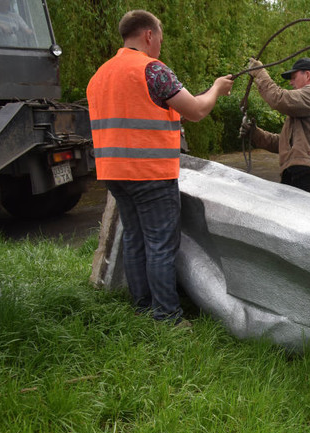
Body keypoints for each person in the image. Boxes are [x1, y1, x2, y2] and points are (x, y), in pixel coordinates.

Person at [86, 9, 233, 327]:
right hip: (150, 172)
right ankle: (167, 316)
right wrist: (217, 89)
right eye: (160, 40)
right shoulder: (152, 70)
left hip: (113, 173)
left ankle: (142, 307)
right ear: (149, 35)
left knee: (135, 239)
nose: (160, 47)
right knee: (159, 244)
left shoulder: (100, 76)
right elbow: (194, 110)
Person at [240, 57, 310, 199]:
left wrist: (260, 73)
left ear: (308, 75)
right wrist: (255, 134)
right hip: (306, 176)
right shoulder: (303, 108)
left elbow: (279, 98)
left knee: (304, 221)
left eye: (293, 77)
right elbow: (285, 144)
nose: (291, 82)